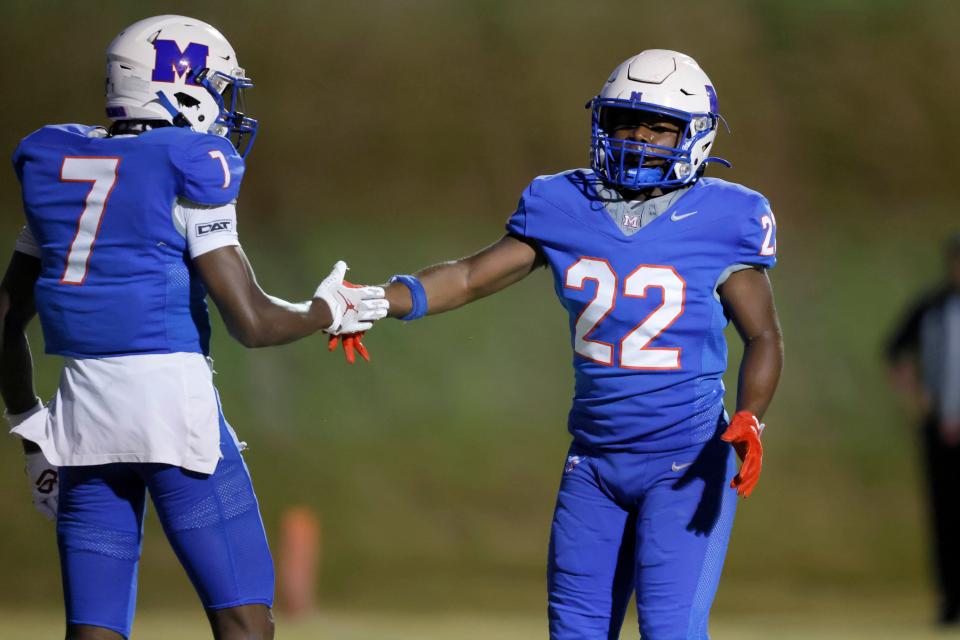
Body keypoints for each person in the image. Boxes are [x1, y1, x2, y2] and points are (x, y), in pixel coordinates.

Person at [337, 49, 784, 639]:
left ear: (694, 136)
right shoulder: (563, 202)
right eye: (626, 120)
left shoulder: (728, 216)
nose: (639, 137)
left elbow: (763, 334)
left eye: (659, 126)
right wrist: (380, 298)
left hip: (687, 460)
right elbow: (472, 275)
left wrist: (751, 417)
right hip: (594, 462)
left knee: (671, 630)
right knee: (574, 632)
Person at [1, 15, 388, 640]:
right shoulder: (188, 160)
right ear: (179, 88)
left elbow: (5, 321)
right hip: (171, 411)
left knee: (93, 632)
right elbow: (254, 323)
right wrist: (331, 308)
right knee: (243, 624)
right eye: (219, 88)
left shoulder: (55, 163)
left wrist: (28, 430)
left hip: (79, 422)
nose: (228, 109)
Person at [886, 233, 960, 625]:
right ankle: (950, 600)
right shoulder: (932, 308)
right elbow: (895, 350)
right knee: (945, 515)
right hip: (941, 430)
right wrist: (915, 396)